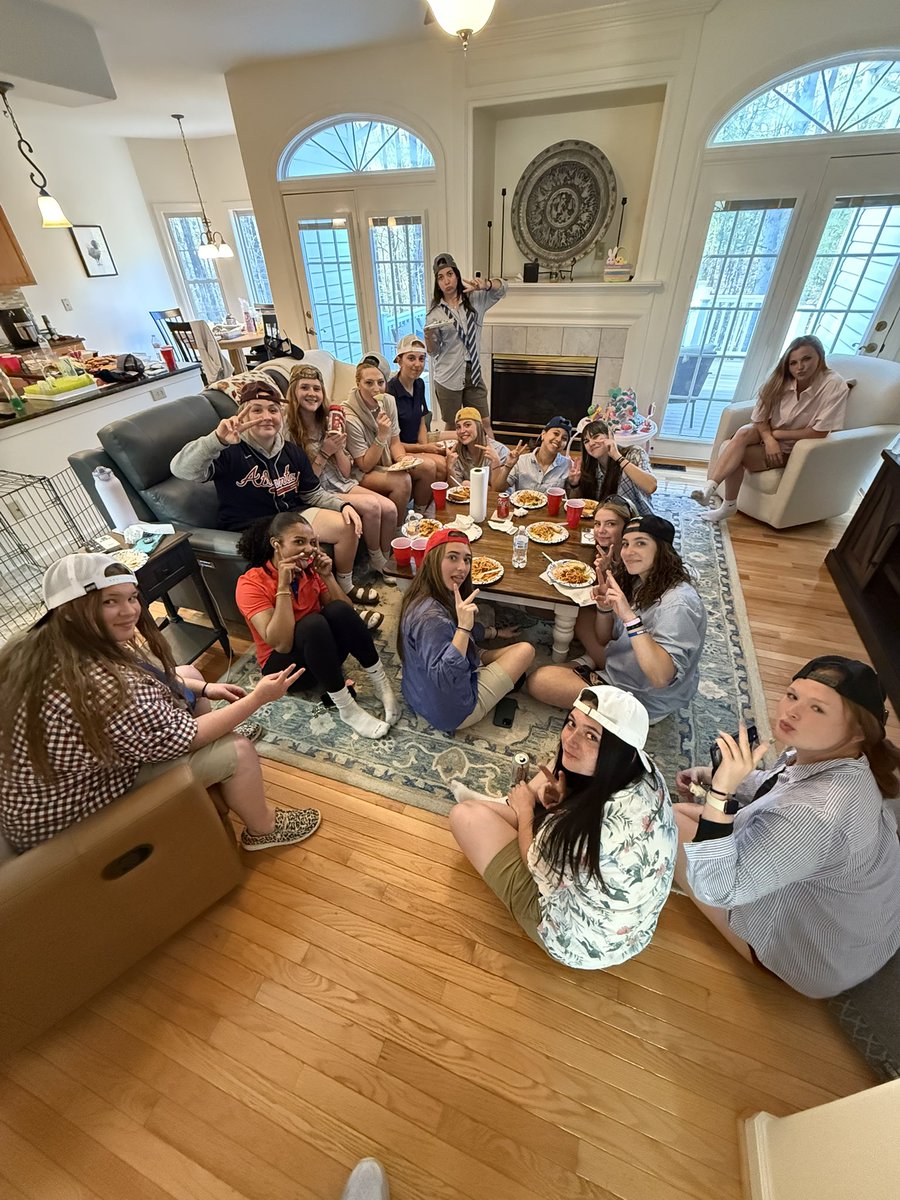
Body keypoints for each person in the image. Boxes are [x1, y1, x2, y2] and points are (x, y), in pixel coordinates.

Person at [0, 554, 320, 854]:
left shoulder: (51, 639)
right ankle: (263, 829)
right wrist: (257, 698)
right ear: (70, 610)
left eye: (131, 597)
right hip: (68, 811)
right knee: (238, 751)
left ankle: (217, 745)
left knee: (188, 675)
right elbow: (184, 737)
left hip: (63, 779)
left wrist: (205, 687)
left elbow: (150, 682)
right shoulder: (98, 686)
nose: (129, 610)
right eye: (109, 602)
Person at [673, 657, 900, 998]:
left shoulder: (814, 815)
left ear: (858, 731)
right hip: (859, 931)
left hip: (810, 959)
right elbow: (778, 783)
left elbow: (717, 889)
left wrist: (721, 793)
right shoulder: (836, 756)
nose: (792, 712)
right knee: (688, 814)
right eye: (793, 695)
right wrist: (713, 775)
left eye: (817, 709)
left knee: (671, 822)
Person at [449, 685, 676, 969]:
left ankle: (507, 804)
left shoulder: (580, 831)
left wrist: (526, 810)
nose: (571, 739)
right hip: (633, 935)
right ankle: (505, 805)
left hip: (574, 945)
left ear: (617, 751)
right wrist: (562, 802)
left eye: (591, 736)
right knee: (548, 775)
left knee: (464, 815)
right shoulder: (650, 776)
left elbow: (532, 860)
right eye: (571, 723)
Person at [170, 379, 378, 608]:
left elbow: (312, 493)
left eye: (273, 410)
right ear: (242, 416)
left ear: (281, 415)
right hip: (251, 526)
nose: (266, 416)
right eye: (256, 410)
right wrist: (216, 440)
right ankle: (314, 607)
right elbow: (181, 470)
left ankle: (344, 587)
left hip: (291, 516)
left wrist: (342, 505)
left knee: (347, 524)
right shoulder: (227, 451)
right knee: (296, 544)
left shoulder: (292, 452)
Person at [527, 515, 707, 724]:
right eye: (626, 544)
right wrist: (604, 610)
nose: (629, 552)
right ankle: (592, 664)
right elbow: (605, 638)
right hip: (625, 662)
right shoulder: (643, 578)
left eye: (641, 543)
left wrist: (629, 617)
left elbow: (661, 678)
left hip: (643, 696)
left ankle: (592, 670)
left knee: (538, 681)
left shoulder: (679, 604)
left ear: (662, 548)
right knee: (582, 612)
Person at [236, 513, 398, 738]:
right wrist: (283, 587)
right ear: (276, 544)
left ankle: (382, 685)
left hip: (324, 656)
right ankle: (347, 709)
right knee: (312, 623)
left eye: (312, 542)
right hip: (287, 673)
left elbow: (347, 615)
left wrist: (328, 577)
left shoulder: (309, 570)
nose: (308, 549)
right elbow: (282, 644)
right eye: (299, 542)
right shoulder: (250, 584)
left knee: (336, 610)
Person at [691, 335, 849, 523]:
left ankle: (728, 506)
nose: (800, 367)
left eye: (807, 359)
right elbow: (759, 417)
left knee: (734, 451)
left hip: (796, 447)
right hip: (768, 434)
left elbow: (820, 432)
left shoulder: (834, 385)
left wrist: (778, 435)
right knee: (742, 433)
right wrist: (769, 439)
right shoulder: (779, 379)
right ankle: (709, 488)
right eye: (793, 363)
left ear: (820, 357)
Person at [397, 527, 534, 733]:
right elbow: (444, 680)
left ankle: (481, 658)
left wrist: (493, 633)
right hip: (452, 713)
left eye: (467, 559)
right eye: (453, 557)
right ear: (433, 560)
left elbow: (451, 629)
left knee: (481, 634)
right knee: (525, 651)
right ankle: (482, 663)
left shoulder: (420, 595)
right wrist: (463, 628)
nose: (462, 567)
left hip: (416, 692)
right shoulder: (432, 620)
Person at [284, 362, 398, 583]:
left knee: (390, 509)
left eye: (317, 388)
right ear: (293, 392)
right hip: (316, 491)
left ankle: (385, 557)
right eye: (304, 388)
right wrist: (324, 452)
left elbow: (345, 473)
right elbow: (304, 485)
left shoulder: (328, 420)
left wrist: (337, 449)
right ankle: (377, 561)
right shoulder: (289, 431)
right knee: (372, 506)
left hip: (340, 482)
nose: (312, 393)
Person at [344, 358, 438, 527]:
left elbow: (395, 441)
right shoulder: (350, 417)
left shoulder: (388, 401)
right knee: (402, 481)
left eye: (381, 383)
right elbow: (365, 465)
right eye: (369, 383)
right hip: (361, 471)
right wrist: (381, 436)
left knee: (428, 467)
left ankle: (418, 517)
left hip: (386, 458)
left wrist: (402, 459)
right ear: (358, 384)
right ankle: (397, 528)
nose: (376, 389)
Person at [424, 251, 506, 434]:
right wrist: (429, 337)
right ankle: (456, 454)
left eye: (450, 274)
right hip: (448, 375)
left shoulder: (475, 299)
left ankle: (492, 453)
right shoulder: (434, 313)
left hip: (473, 372)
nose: (446, 281)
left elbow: (503, 289)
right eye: (440, 277)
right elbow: (433, 352)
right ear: (437, 283)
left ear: (457, 275)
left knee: (483, 422)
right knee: (453, 425)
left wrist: (487, 284)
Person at [385, 334, 446, 476]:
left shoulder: (419, 384)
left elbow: (421, 420)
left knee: (458, 439)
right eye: (411, 358)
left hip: (418, 442)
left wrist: (425, 447)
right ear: (399, 361)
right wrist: (424, 449)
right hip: (400, 449)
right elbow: (391, 442)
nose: (418, 364)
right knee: (441, 465)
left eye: (421, 359)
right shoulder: (389, 392)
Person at [569, 418, 657, 516]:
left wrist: (617, 456)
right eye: (586, 441)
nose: (591, 443)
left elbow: (651, 486)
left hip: (640, 520)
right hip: (607, 521)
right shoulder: (590, 466)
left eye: (596, 436)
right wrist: (574, 484)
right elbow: (578, 505)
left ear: (610, 436)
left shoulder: (634, 453)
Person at [495, 416, 577, 493]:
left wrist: (574, 484)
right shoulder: (521, 461)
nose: (559, 440)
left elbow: (572, 498)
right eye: (556, 433)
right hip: (523, 503)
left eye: (564, 438)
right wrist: (508, 466)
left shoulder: (569, 465)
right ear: (543, 434)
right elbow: (498, 488)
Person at [446, 407, 509, 491]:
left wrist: (496, 461)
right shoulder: (456, 452)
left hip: (495, 497)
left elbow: (501, 491)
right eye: (458, 427)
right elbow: (455, 489)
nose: (462, 431)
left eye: (467, 425)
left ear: (479, 426)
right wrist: (450, 468)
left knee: (466, 484)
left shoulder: (500, 451)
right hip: (469, 497)